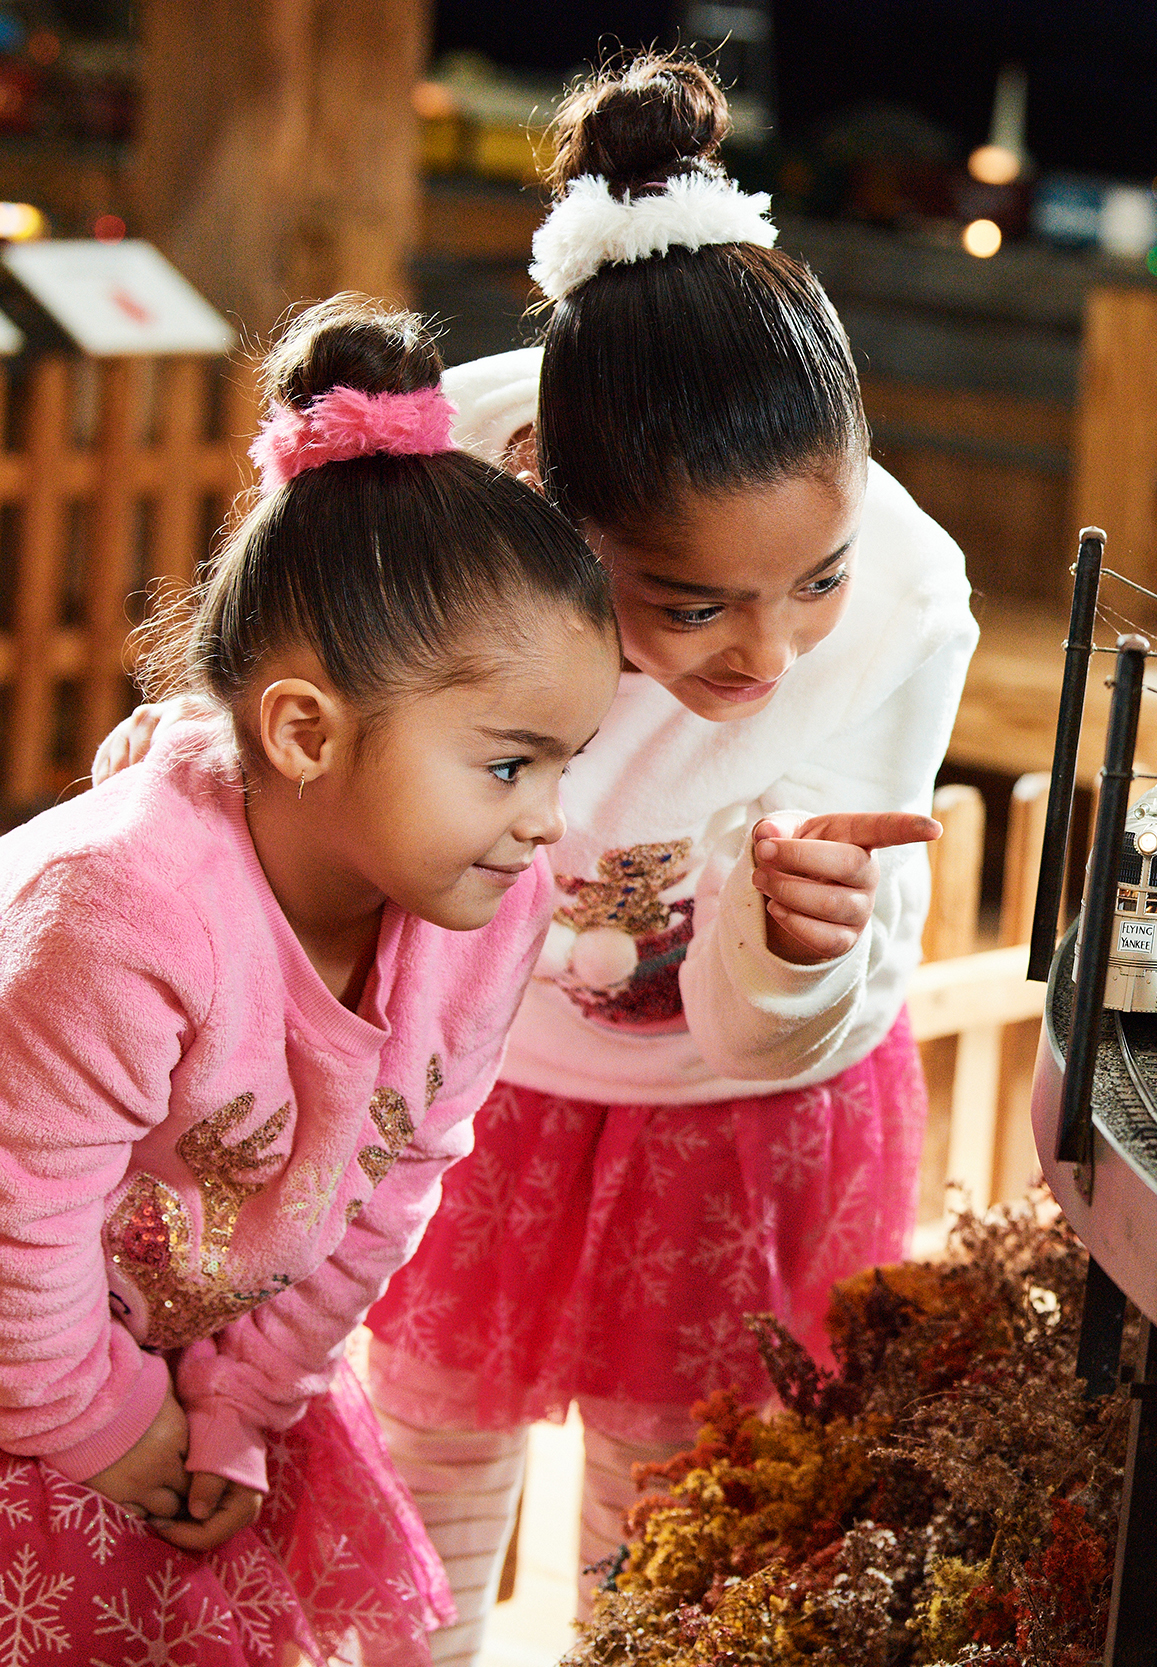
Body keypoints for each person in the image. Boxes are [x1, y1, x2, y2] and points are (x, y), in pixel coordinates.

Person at [325, 52, 971, 1660]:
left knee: (669, 1543)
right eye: (689, 603)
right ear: (561, 514)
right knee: (418, 1483)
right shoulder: (444, 485)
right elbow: (300, 704)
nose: (766, 656)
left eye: (807, 579)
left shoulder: (903, 603)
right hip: (474, 1091)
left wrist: (795, 942)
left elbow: (780, 1029)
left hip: (733, 1125)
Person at [1, 297, 617, 1666]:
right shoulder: (120, 910)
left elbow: (394, 1176)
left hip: (177, 1344)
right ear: (302, 732)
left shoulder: (482, 904)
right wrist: (100, 1426)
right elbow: (18, 1217)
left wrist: (248, 1403)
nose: (546, 820)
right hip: (27, 1350)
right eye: (513, 764)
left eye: (567, 762)